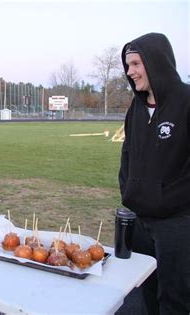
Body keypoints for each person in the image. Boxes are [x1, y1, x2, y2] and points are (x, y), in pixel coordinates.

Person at [119, 32, 190, 315]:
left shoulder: (185, 102)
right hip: (140, 219)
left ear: (156, 61)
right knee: (146, 291)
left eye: (136, 63)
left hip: (176, 222)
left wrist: (167, 197)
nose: (130, 72)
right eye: (127, 65)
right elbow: (127, 155)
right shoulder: (136, 108)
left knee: (174, 297)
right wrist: (128, 189)